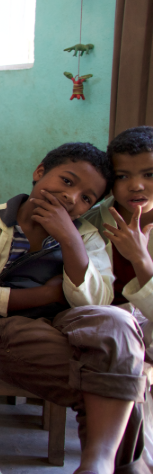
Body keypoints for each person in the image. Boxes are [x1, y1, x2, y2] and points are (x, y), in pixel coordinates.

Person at [0, 143, 148, 474]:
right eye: (67, 181)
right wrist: (46, 294)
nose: (72, 198)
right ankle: (105, 464)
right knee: (120, 375)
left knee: (118, 322)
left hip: (68, 326)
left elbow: (98, 305)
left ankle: (98, 464)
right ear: (40, 172)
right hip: (4, 329)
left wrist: (70, 240)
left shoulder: (87, 236)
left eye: (87, 198)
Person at [82, 127, 153, 472]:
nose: (136, 186)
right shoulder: (93, 222)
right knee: (127, 370)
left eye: (149, 174)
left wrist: (140, 259)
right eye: (123, 176)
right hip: (113, 333)